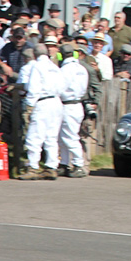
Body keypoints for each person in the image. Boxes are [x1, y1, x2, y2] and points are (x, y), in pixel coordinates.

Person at [17, 37, 64, 180]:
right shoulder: (55, 67)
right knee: (51, 137)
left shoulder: (37, 66)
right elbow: (63, 87)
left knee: (34, 136)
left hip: (42, 102)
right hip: (56, 102)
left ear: (35, 55)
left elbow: (33, 88)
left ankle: (33, 167)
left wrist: (29, 106)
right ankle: (51, 167)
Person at [57, 42, 88, 178]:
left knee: (69, 137)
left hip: (68, 105)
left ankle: (78, 164)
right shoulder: (82, 68)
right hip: (77, 104)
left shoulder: (65, 70)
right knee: (63, 136)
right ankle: (64, 163)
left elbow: (60, 88)